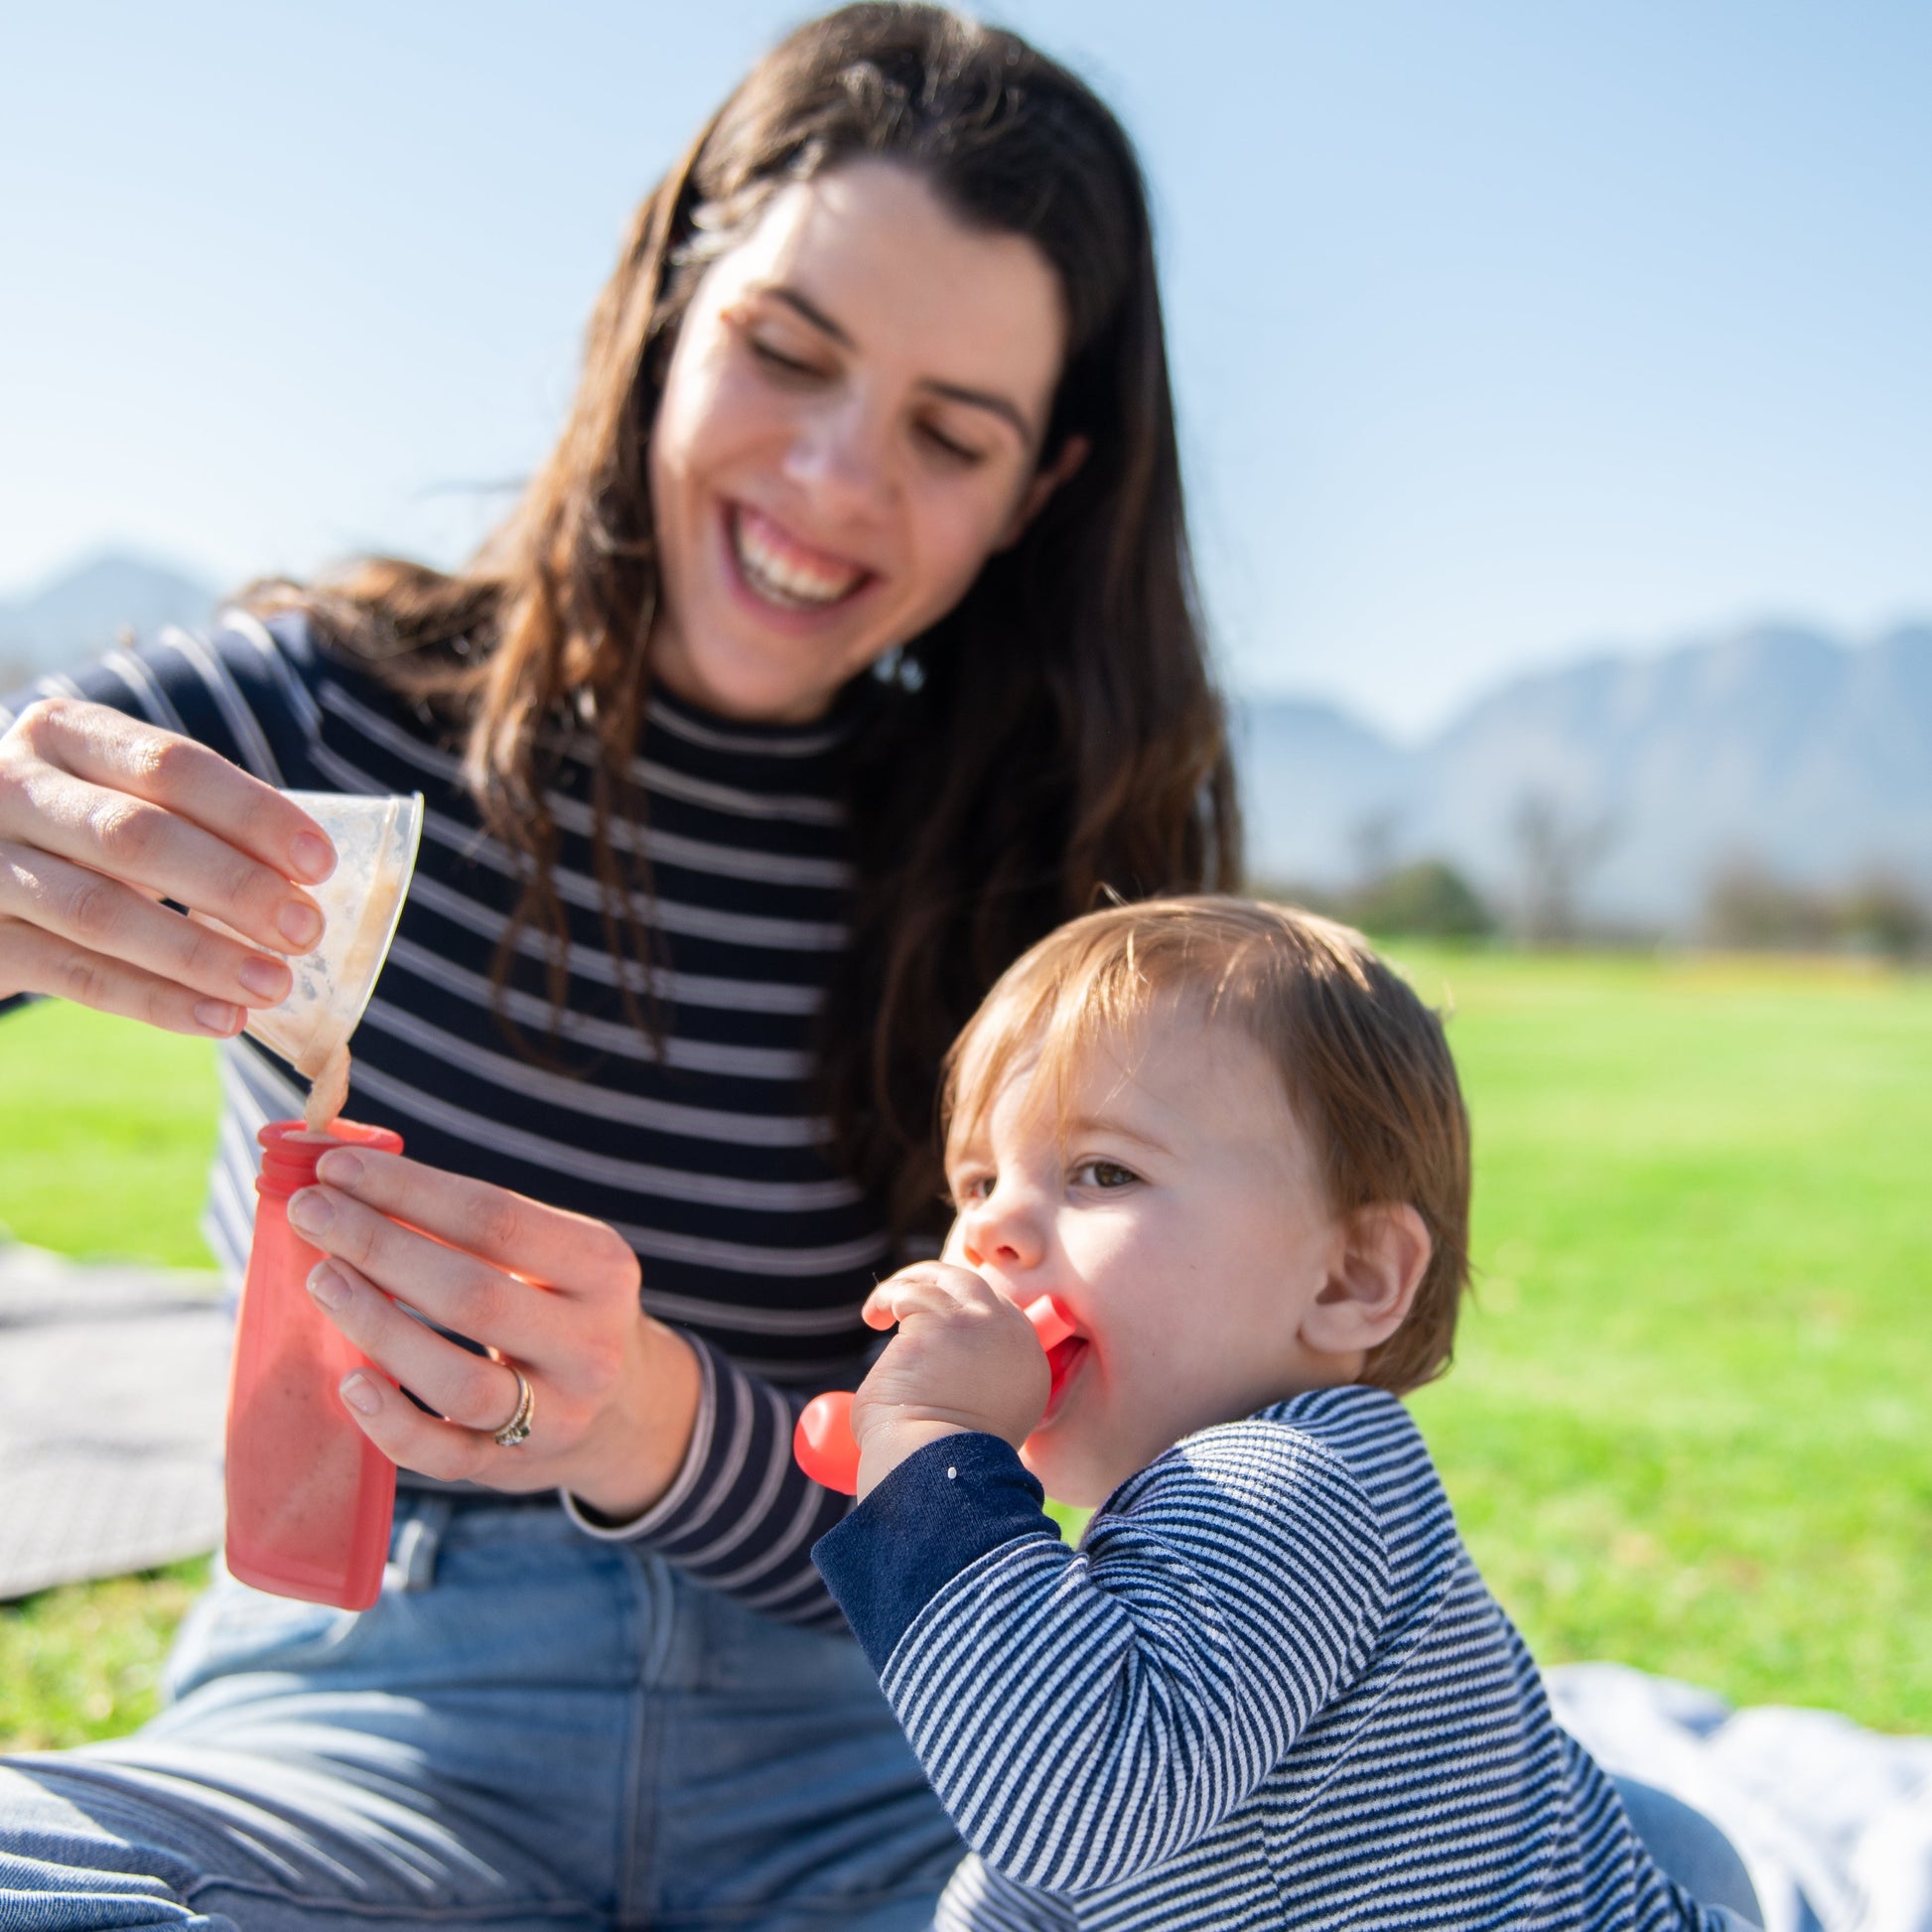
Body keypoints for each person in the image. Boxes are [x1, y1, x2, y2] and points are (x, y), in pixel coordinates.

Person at [0, 9, 1237, 1928]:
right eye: (786, 353)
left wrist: (645, 1419)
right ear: (666, 309)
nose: (831, 477)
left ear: (1043, 489)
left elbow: (1124, 1498)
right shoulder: (310, 719)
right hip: (359, 1713)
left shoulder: (1065, 885)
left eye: (946, 433)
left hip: (901, 1743)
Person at [811, 896, 1766, 1929]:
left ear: (1347, 1274)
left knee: (1671, 1841)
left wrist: (929, 1455)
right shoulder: (1171, 1514)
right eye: (977, 1178)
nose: (988, 1228)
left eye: (1101, 1170)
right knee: (1665, 1833)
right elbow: (1041, 1880)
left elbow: (1070, 1806)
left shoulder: (1289, 1483)